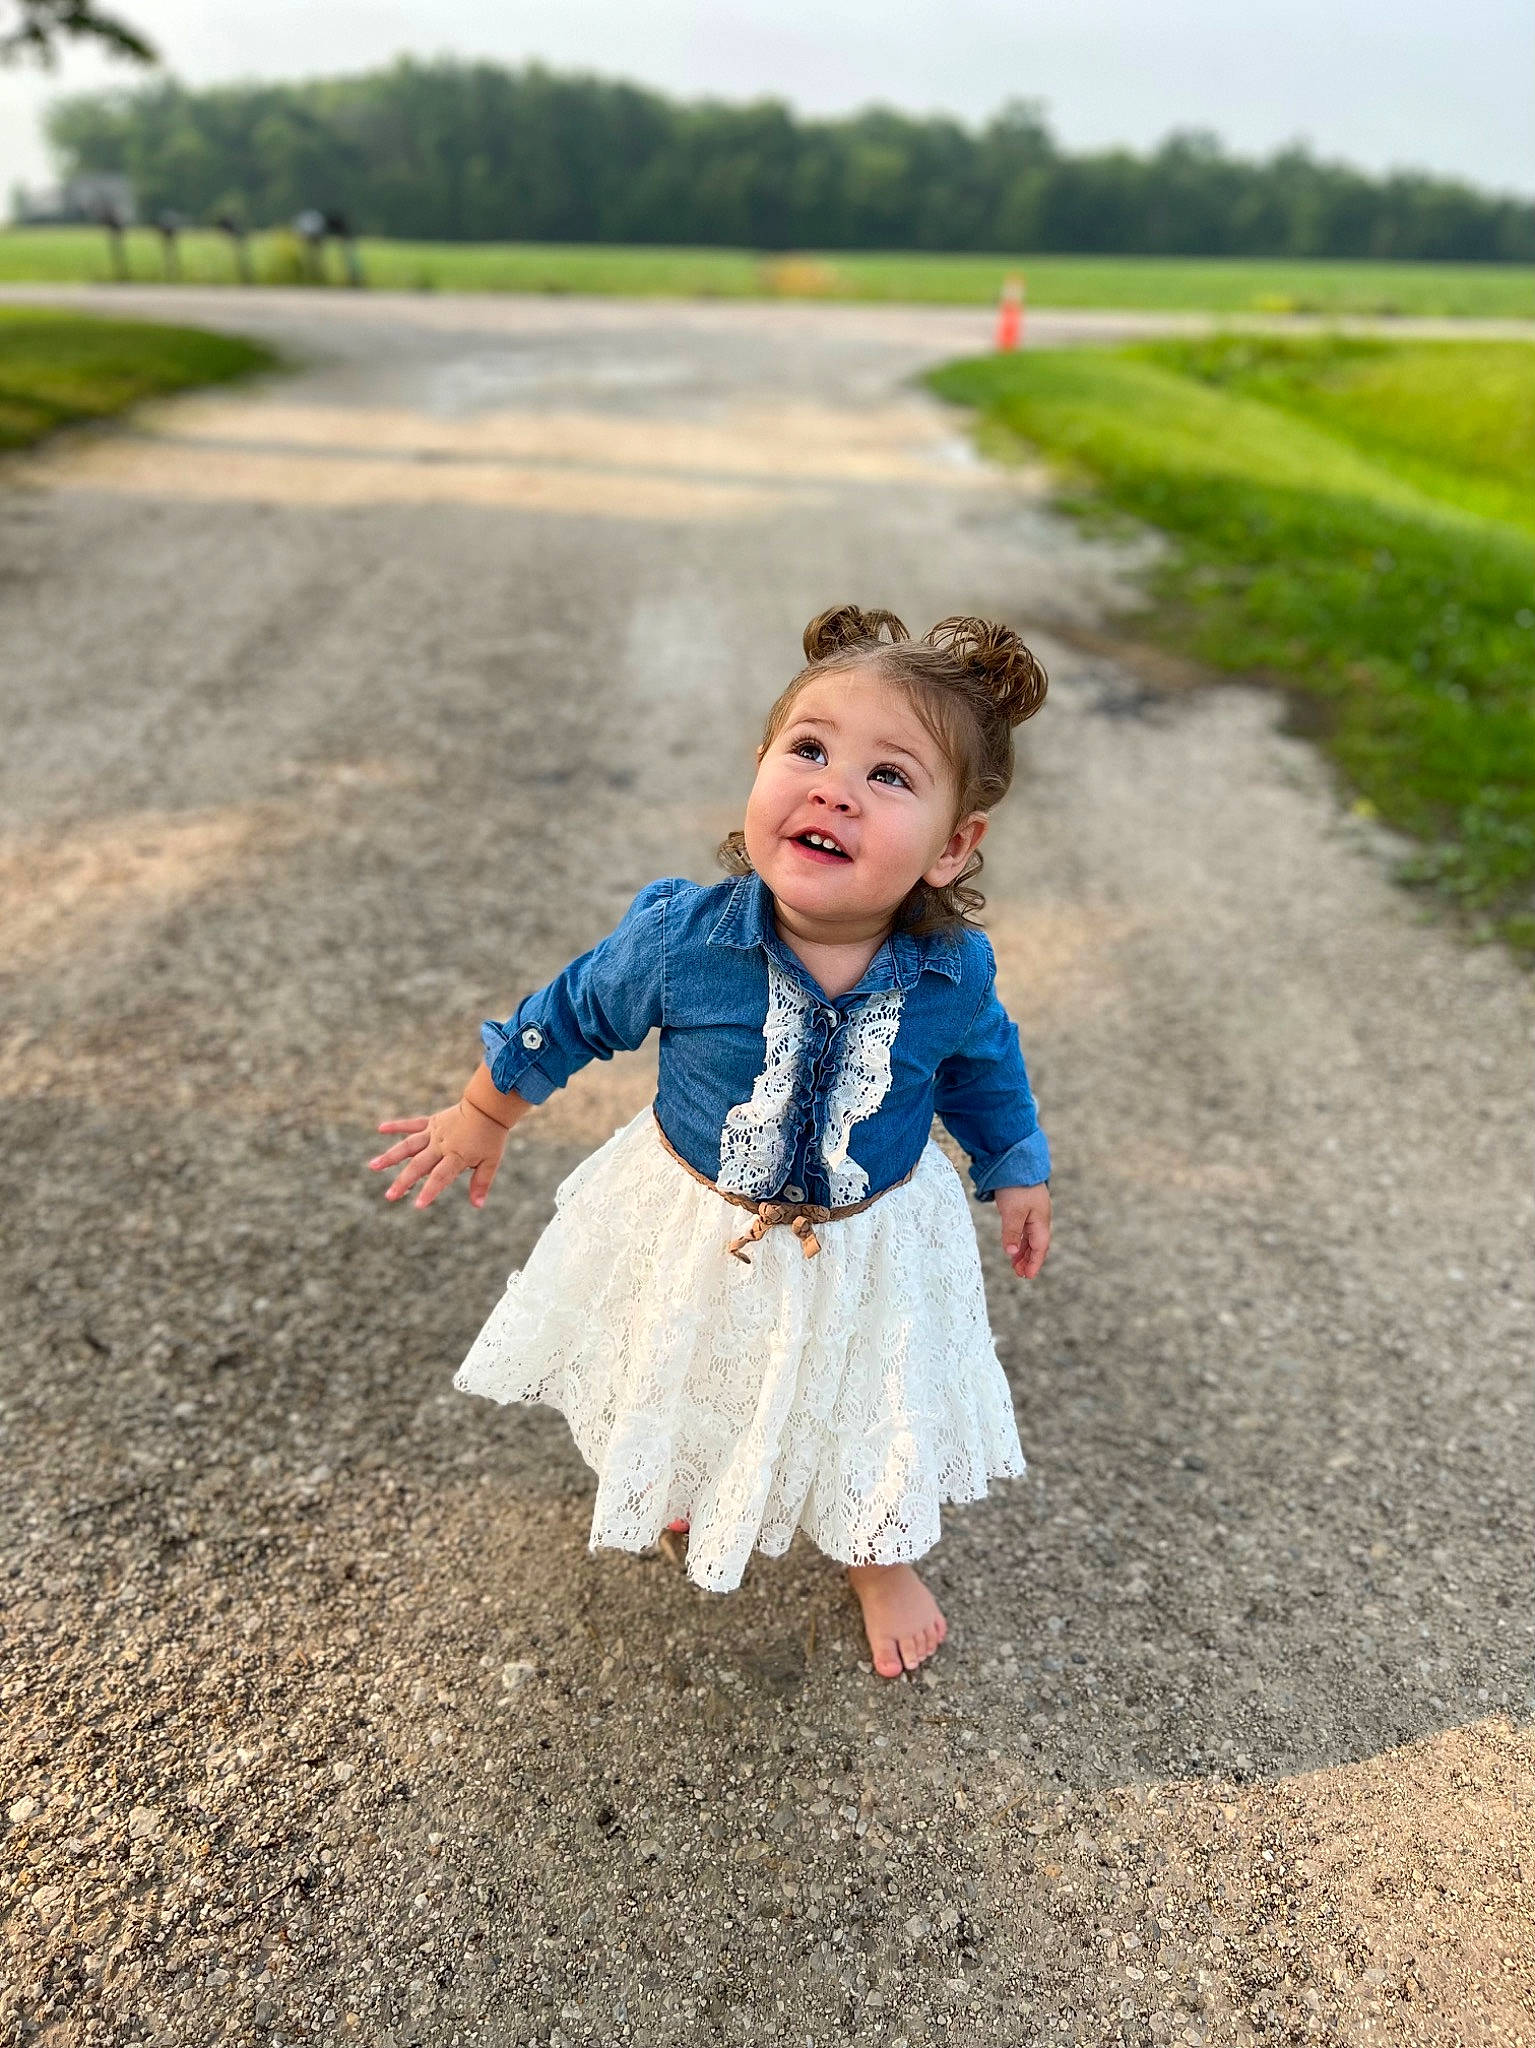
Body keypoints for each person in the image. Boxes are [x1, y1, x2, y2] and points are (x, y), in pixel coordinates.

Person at [369, 604, 1053, 1679]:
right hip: (704, 1219)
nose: (833, 787)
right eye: (810, 749)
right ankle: (698, 1471)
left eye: (890, 776)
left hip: (865, 1239)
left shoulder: (949, 971)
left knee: (865, 1392)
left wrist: (1014, 1166)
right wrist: (482, 1110)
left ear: (951, 845)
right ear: (761, 767)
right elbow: (574, 1009)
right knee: (693, 1358)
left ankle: (877, 1553)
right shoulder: (687, 940)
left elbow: (982, 1066)